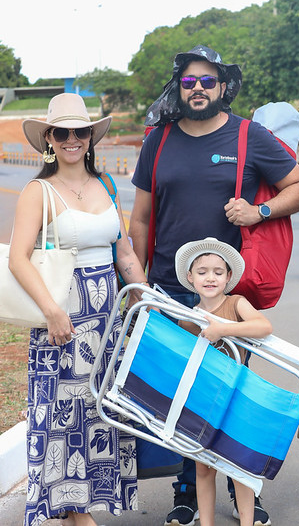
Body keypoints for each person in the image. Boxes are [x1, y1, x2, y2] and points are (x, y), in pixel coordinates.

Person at [128, 44, 299, 526]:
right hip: (169, 290)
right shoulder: (159, 140)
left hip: (226, 295)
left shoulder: (250, 136)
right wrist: (142, 287)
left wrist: (259, 212)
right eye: (188, 82)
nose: (197, 89)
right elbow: (142, 217)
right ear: (179, 87)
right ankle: (187, 493)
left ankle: (241, 491)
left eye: (207, 81)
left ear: (224, 86)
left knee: (227, 396)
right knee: (180, 398)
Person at [12, 93, 147, 526]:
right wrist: (51, 311)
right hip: (63, 315)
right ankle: (74, 509)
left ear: (91, 137)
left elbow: (123, 251)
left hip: (108, 314)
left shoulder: (106, 185)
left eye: (80, 131)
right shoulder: (38, 191)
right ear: (49, 138)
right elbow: (17, 258)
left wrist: (144, 297)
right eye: (62, 132)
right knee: (64, 411)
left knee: (100, 407)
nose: (72, 139)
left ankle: (84, 505)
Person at [173, 238, 273, 526]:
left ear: (229, 277)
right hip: (203, 400)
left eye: (218, 271)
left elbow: (264, 326)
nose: (210, 277)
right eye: (202, 271)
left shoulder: (235, 303)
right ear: (190, 278)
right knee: (203, 469)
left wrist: (224, 329)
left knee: (237, 467)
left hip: (235, 399)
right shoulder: (188, 319)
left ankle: (246, 521)